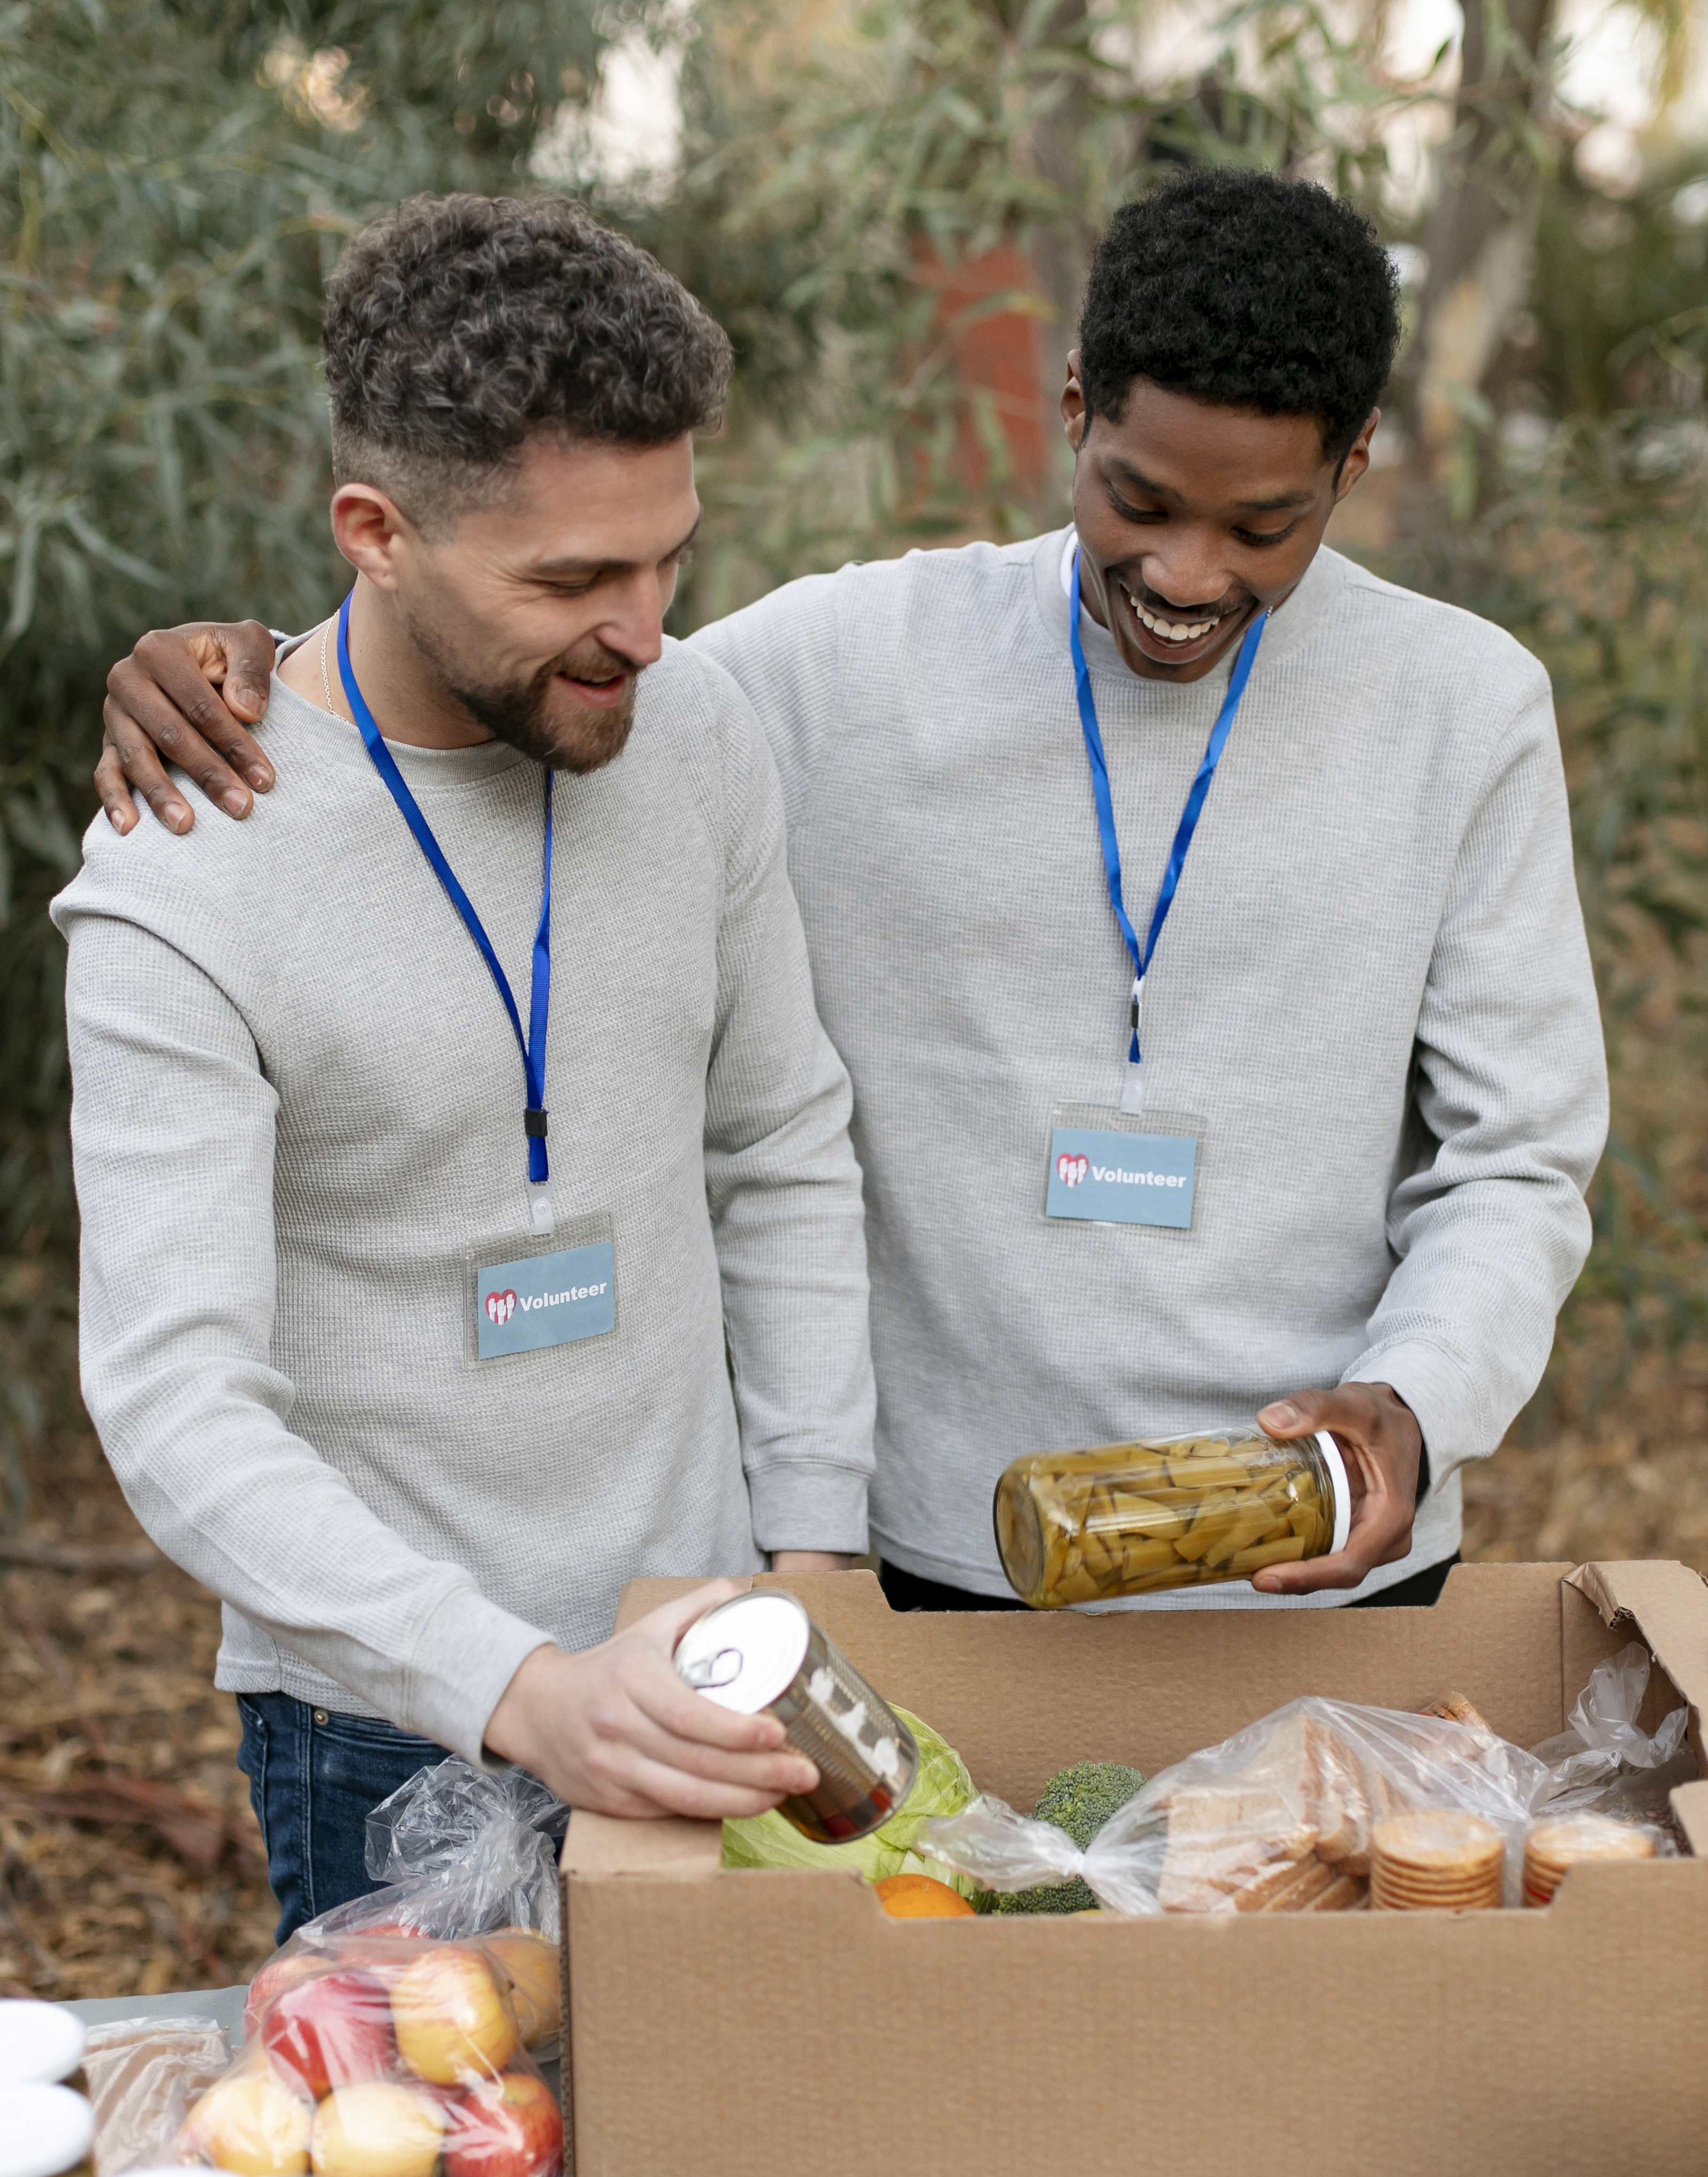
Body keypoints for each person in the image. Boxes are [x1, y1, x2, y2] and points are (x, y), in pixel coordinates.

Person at [93, 168, 1607, 1619]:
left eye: (1261, 528)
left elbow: (1520, 1155)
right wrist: (245, 668)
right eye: (1139, 500)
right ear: (1073, 408)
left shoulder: (1463, 709)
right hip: (940, 1554)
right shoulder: (841, 667)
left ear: (1350, 467)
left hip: (1324, 1545)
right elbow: (519, 651)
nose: (1188, 572)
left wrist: (1418, 1402)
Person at [56, 193, 876, 1933]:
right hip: (385, 1716)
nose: (647, 629)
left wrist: (813, 1555)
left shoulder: (700, 733)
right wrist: (521, 1688)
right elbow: (179, 1404)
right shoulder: (184, 866)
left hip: (713, 1628)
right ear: (377, 530)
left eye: (670, 557)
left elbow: (782, 1143)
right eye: (574, 579)